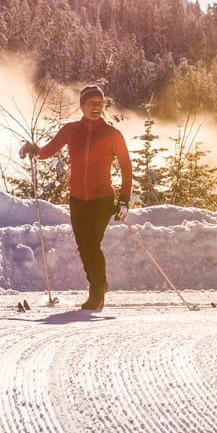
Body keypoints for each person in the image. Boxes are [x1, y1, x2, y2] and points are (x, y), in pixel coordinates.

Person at [20, 84, 132, 311]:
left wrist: (123, 200)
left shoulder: (113, 134)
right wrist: (33, 149)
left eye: (100, 104)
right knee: (83, 246)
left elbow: (126, 167)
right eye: (91, 103)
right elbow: (46, 151)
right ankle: (99, 284)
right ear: (82, 106)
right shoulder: (71, 130)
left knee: (92, 244)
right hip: (78, 199)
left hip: (102, 199)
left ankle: (97, 293)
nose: (96, 107)